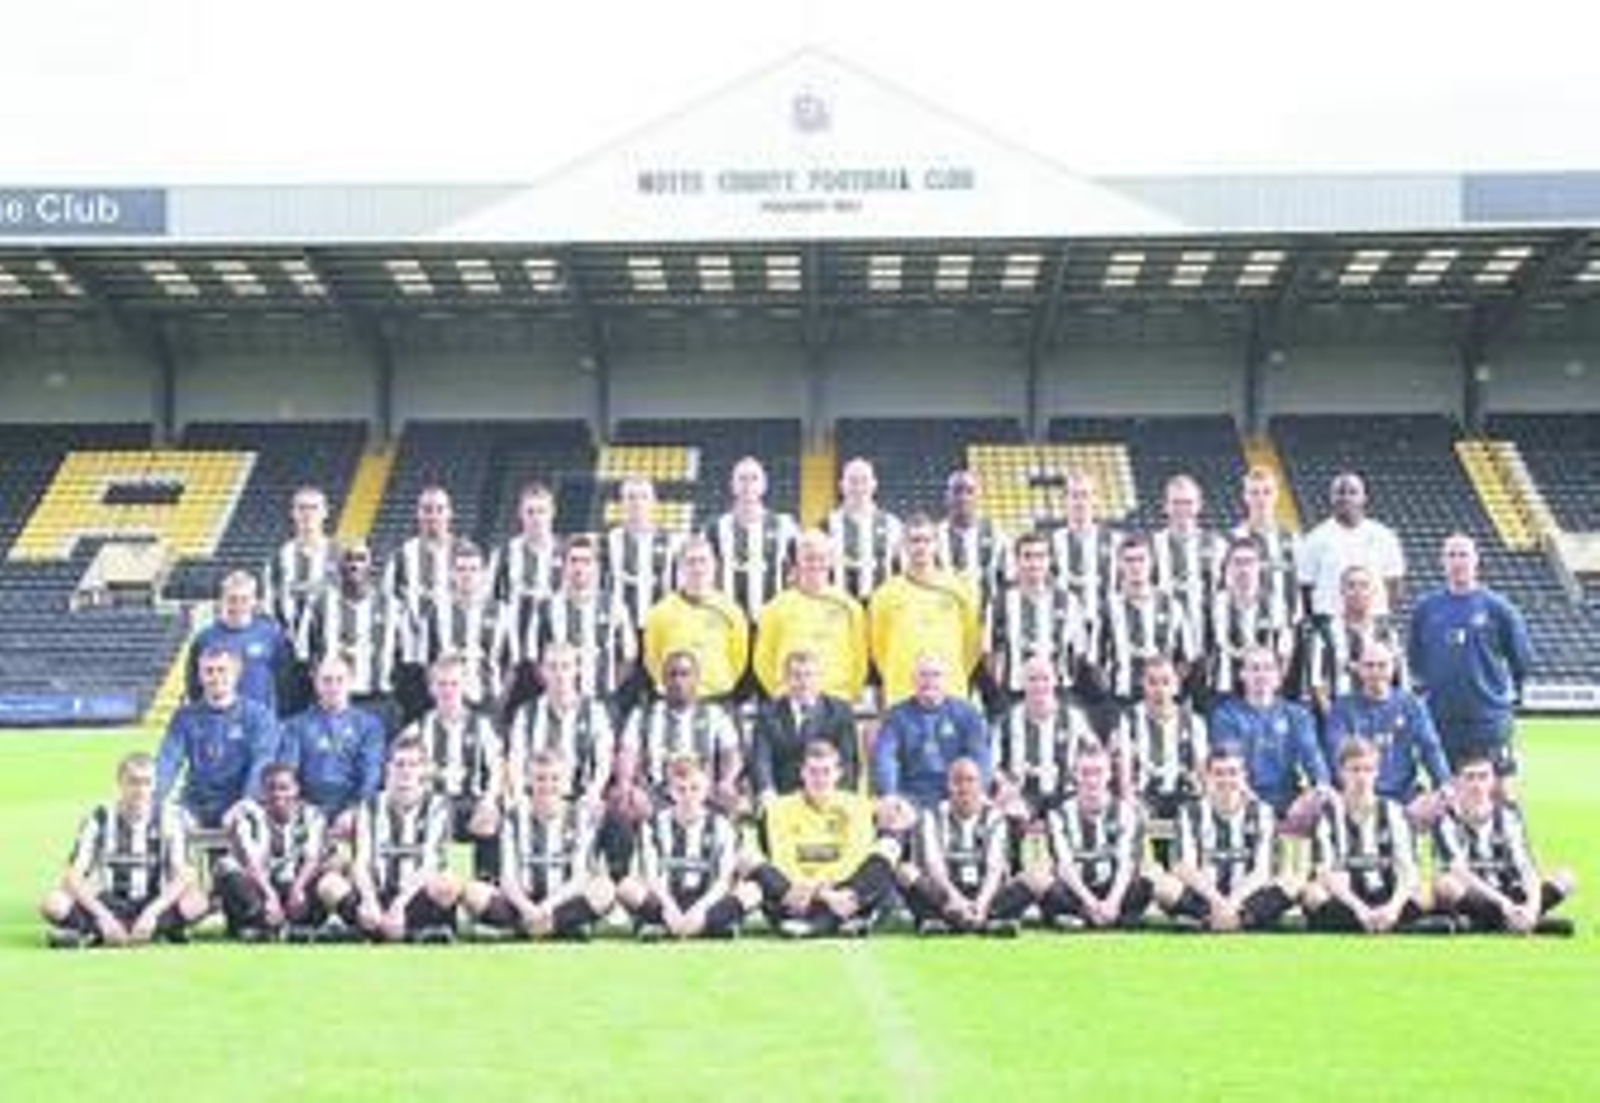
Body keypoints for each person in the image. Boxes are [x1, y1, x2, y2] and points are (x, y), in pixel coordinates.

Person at [41, 752, 207, 949]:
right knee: (54, 903)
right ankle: (151, 933)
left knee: (197, 902)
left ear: (155, 784)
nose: (140, 790)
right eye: (133, 782)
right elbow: (72, 877)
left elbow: (185, 875)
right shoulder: (99, 818)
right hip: (109, 902)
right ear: (120, 783)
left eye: (147, 782)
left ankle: (92, 934)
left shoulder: (169, 818)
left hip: (152, 901)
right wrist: (104, 916)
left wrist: (151, 913)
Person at [1408, 533, 1534, 782]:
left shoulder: (1498, 608)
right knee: (1446, 788)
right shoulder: (1426, 608)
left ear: (1476, 560)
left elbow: (1521, 659)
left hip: (1489, 719)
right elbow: (1416, 660)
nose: (1458, 561)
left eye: (1463, 555)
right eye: (1451, 555)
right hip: (1441, 718)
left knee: (1499, 788)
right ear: (1442, 562)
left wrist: (1502, 698)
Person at [749, 740, 899, 938]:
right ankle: (842, 920)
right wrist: (822, 894)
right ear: (802, 773)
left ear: (838, 774)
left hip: (844, 889)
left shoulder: (857, 806)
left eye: (826, 772)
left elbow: (854, 860)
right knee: (750, 860)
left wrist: (836, 894)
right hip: (799, 892)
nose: (819, 779)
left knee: (889, 847)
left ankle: (816, 925)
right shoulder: (778, 809)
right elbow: (784, 863)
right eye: (813, 772)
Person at [461, 751, 615, 941]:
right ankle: (558, 927)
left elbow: (579, 878)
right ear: (529, 781)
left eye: (554, 779)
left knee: (605, 890)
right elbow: (507, 878)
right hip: (521, 903)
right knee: (473, 892)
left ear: (565, 782)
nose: (548, 785)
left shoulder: (580, 816)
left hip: (561, 902)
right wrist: (528, 908)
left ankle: (537, 927)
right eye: (540, 779)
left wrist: (546, 907)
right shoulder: (513, 817)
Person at [324, 734, 461, 943]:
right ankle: (376, 926)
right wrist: (369, 901)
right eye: (400, 764)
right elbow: (361, 862)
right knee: (329, 885)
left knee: (449, 884)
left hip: (414, 897)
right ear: (388, 767)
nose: (406, 771)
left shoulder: (438, 806)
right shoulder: (369, 806)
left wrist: (399, 907)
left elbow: (431, 864)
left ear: (424, 769)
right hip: (377, 894)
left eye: (413, 764)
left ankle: (400, 929)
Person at [1301, 737, 1442, 935]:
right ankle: (1395, 926)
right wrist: (1361, 910)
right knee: (1313, 894)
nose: (1362, 777)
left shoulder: (1394, 812)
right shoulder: (1328, 816)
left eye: (1368, 770)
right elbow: (1327, 874)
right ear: (1341, 773)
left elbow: (1407, 870)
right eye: (1355, 770)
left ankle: (1374, 923)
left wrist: (1393, 908)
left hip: (1386, 893)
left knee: (1425, 894)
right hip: (1347, 899)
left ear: (1377, 773)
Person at [1431, 751, 1577, 936]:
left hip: (1511, 891)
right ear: (1457, 782)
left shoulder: (1508, 815)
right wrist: (1504, 904)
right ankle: (1524, 924)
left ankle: (1497, 923)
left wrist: (1532, 907)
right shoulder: (1445, 820)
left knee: (1566, 877)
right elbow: (1460, 872)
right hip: (1476, 895)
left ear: (1492, 781)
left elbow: (1525, 866)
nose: (1477, 785)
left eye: (1483, 777)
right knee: (1445, 885)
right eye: (1470, 777)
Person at [1154, 745, 1295, 932]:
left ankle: (1231, 921)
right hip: (1205, 899)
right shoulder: (1190, 812)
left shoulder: (1263, 813)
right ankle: (1224, 920)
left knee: (1292, 883)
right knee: (1164, 887)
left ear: (1244, 776)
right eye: (1219, 773)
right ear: (1208, 777)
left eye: (1233, 773)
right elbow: (1183, 867)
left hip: (1247, 899)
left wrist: (1233, 903)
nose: (1226, 780)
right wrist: (1219, 902)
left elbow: (1262, 870)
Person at [617, 754, 749, 941]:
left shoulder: (722, 825)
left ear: (706, 790)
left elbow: (723, 880)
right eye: (681, 789)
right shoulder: (652, 825)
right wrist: (669, 909)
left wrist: (700, 910)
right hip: (665, 901)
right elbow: (651, 877)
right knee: (626, 887)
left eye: (694, 788)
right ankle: (705, 927)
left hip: (705, 901)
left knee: (752, 891)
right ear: (671, 792)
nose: (688, 796)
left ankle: (670, 927)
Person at [1024, 740, 1152, 930]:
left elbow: (1127, 864)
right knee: (1040, 880)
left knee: (1149, 879)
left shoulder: (1127, 813)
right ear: (1075, 775)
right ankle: (1095, 917)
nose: (1092, 780)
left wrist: (1112, 902)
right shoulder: (1058, 815)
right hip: (1074, 893)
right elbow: (1064, 867)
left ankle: (1093, 918)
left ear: (1109, 774)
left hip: (1113, 890)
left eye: (1098, 772)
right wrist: (1091, 903)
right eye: (1085, 773)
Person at [399, 654, 504, 880]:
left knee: (487, 820)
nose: (448, 690)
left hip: (471, 802)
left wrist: (489, 801)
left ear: (464, 686)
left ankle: (484, 882)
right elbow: (401, 771)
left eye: (454, 684)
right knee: (440, 816)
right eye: (442, 684)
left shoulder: (482, 726)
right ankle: (447, 880)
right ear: (431, 688)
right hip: (431, 806)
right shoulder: (417, 729)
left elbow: (497, 770)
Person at [1324, 640, 1452, 824]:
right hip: (1358, 795)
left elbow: (1430, 748)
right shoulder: (1342, 708)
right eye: (1369, 666)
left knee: (1444, 804)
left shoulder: (1411, 704)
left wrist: (1444, 785)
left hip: (1404, 796)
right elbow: (1336, 754)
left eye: (1382, 665)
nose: (1376, 672)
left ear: (1394, 667)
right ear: (1358, 669)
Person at [1207, 645, 1330, 834]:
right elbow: (1229, 771)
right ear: (1242, 675)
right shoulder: (1226, 716)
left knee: (1326, 803)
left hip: (1291, 802)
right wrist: (1260, 810)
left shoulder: (1297, 715)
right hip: (1244, 802)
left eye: (1268, 668)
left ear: (1278, 676)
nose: (1261, 675)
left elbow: (1315, 763)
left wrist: (1311, 797)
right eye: (1254, 668)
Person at [897, 758, 1024, 936]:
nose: (964, 787)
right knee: (905, 872)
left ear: (981, 785)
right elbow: (934, 866)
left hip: (985, 893)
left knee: (1034, 878)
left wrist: (981, 903)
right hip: (945, 894)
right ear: (948, 785)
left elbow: (994, 870)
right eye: (957, 781)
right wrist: (955, 898)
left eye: (970, 780)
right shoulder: (932, 816)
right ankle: (984, 922)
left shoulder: (995, 818)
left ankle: (953, 921)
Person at [157, 646, 279, 829]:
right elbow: (167, 761)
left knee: (245, 825)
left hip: (239, 800)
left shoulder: (258, 716)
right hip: (195, 803)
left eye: (222, 670)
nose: (215, 677)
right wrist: (155, 798)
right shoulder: (185, 717)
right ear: (200, 675)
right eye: (209, 671)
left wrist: (248, 799)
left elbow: (262, 762)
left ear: (236, 673)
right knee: (169, 824)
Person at [214, 763, 337, 942]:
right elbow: (251, 862)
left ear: (297, 789)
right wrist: (270, 896)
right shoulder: (249, 814)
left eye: (284, 788)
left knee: (328, 871)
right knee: (227, 866)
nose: (278, 794)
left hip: (295, 884)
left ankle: (295, 928)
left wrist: (298, 889)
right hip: (261, 885)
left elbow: (312, 859)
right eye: (271, 788)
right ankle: (258, 925)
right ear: (262, 791)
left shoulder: (313, 815)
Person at [869, 513, 982, 705]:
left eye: (926, 540)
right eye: (914, 540)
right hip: (901, 693)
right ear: (903, 545)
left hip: (950, 692)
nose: (921, 547)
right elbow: (878, 648)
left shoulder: (960, 590)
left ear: (936, 545)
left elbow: (971, 645)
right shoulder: (884, 594)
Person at [297, 541, 404, 735]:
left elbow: (406, 656)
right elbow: (304, 656)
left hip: (378, 702)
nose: (354, 565)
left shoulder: (392, 606)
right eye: (348, 559)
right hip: (332, 705)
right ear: (338, 565)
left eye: (361, 559)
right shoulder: (319, 604)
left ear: (371, 565)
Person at [619, 649, 743, 815]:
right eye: (672, 675)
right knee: (628, 803)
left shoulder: (715, 714)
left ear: (697, 678)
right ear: (663, 680)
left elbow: (731, 752)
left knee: (735, 802)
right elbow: (628, 753)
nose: (678, 681)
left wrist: (727, 781)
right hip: (654, 796)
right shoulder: (642, 715)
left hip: (704, 796)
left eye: (685, 674)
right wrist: (627, 785)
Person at [752, 529, 869, 704]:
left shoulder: (850, 607)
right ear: (797, 561)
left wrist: (849, 695)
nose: (815, 564)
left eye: (821, 557)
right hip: (790, 700)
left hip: (837, 699)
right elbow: (762, 661)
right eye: (808, 557)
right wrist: (782, 692)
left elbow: (860, 659)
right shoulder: (775, 608)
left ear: (831, 560)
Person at [275, 654, 386, 829]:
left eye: (340, 680)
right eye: (326, 680)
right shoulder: (295, 726)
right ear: (315, 683)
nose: (333, 687)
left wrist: (356, 810)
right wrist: (302, 810)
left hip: (354, 812)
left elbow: (371, 775)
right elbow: (288, 773)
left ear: (351, 681)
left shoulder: (370, 726)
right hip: (307, 811)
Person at [873, 654, 991, 813]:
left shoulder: (966, 714)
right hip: (911, 797)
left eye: (936, 675)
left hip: (956, 794)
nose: (929, 681)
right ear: (913, 680)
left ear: (946, 680)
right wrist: (890, 794)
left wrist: (979, 790)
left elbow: (980, 756)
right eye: (923, 675)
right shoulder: (896, 717)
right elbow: (886, 759)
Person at [1117, 655, 1207, 863]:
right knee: (1159, 853)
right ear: (1143, 684)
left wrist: (1206, 803)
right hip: (1148, 798)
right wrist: (1131, 802)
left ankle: (1185, 868)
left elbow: (1202, 771)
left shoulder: (1194, 722)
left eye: (1166, 682)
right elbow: (1125, 773)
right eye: (1153, 682)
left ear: (1176, 686)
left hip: (1184, 796)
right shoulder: (1130, 719)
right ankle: (1159, 866)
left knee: (1190, 851)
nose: (1160, 689)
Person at [1086, 535, 1195, 705]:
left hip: (1163, 702)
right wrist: (1110, 695)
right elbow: (1096, 661)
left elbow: (1185, 659)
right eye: (1129, 560)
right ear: (1120, 564)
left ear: (1151, 562)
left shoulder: (1172, 606)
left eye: (1141, 559)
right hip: (1122, 699)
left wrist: (1167, 688)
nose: (1136, 566)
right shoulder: (1107, 608)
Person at [989, 654, 1097, 825]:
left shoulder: (1074, 718)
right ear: (1022, 683)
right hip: (1022, 795)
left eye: (1045, 679)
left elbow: (1095, 755)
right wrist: (1005, 785)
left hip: (1066, 794)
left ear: (1055, 681)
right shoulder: (1006, 721)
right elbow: (992, 764)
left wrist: (1084, 783)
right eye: (1032, 679)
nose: (1039, 685)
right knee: (1010, 816)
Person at [983, 531, 1087, 707]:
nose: (1034, 563)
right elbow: (990, 653)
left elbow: (1078, 651)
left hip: (1057, 693)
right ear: (1017, 561)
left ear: (1049, 561)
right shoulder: (1000, 602)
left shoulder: (1068, 601)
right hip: (1014, 694)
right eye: (1027, 556)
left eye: (1040, 556)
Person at [641, 534, 749, 702]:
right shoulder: (660, 612)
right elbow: (652, 658)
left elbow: (738, 658)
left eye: (703, 561)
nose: (698, 568)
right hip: (675, 698)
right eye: (691, 562)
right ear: (680, 567)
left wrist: (718, 681)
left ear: (715, 565)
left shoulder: (731, 610)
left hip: (718, 696)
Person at [749, 648, 860, 808]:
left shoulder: (840, 711)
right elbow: (761, 760)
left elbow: (848, 762)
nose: (804, 683)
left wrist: (840, 799)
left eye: (809, 675)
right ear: (786, 679)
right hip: (782, 798)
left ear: (820, 678)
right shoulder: (768, 714)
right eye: (796, 676)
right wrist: (767, 791)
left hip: (827, 796)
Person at [403, 539, 502, 713]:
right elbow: (426, 661)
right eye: (461, 569)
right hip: (446, 702)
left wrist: (499, 699)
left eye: (473, 569)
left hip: (486, 701)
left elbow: (512, 663)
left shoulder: (501, 612)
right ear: (451, 573)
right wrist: (438, 695)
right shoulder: (435, 611)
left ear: (483, 574)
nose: (467, 575)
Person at [1298, 471, 1405, 622]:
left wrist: (1376, 613)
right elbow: (1305, 588)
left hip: (1373, 621)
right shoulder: (1314, 539)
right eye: (1340, 492)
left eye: (1353, 492)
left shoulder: (1385, 536)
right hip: (1328, 622)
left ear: (1364, 498)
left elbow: (1395, 584)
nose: (1346, 498)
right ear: (1331, 498)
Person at [1303, 563, 1407, 718]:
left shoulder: (1387, 634)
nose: (1357, 592)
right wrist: (1335, 720)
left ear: (1373, 592)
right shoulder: (1324, 634)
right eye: (1351, 586)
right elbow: (1316, 684)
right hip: (1337, 718)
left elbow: (1401, 682)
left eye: (1364, 586)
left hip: (1380, 720)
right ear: (1341, 591)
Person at [706, 456, 799, 625]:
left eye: (754, 478)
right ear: (733, 485)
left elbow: (797, 570)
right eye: (742, 478)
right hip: (727, 622)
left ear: (764, 485)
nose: (747, 484)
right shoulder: (715, 528)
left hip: (772, 623)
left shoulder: (785, 526)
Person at [185, 570, 293, 715]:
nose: (238, 605)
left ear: (254, 601)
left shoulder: (271, 635)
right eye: (232, 599)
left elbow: (285, 683)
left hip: (260, 723)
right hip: (218, 722)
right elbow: (194, 686)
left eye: (244, 599)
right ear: (222, 600)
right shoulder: (205, 638)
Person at [1202, 538, 1294, 706]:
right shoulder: (1214, 604)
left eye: (1249, 562)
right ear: (1228, 567)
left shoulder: (1276, 604)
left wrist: (1273, 685)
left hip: (1263, 692)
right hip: (1223, 688)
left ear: (1259, 566)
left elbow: (1285, 652)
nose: (1243, 569)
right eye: (1237, 562)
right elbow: (1205, 648)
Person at [261, 485, 339, 657]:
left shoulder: (341, 556)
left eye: (314, 508)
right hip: (288, 652)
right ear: (293, 513)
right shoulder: (278, 559)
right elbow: (268, 610)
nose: (307, 513)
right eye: (302, 508)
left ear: (325, 513)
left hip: (332, 654)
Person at [1151, 473, 1226, 640]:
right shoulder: (1151, 546)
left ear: (1199, 505)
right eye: (1176, 503)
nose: (1182, 509)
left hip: (1207, 638)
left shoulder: (1218, 545)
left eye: (1188, 503)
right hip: (1163, 638)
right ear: (1165, 506)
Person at [605, 476, 683, 635]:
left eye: (644, 497)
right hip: (619, 630)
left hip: (661, 629)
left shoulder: (673, 541)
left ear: (654, 502)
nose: (637, 503)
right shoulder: (608, 541)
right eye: (631, 497)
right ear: (622, 503)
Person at [1232, 466, 1302, 632]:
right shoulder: (1231, 539)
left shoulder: (1293, 539)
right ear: (1245, 496)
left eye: (1267, 492)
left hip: (1284, 631)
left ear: (1276, 495)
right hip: (1243, 631)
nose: (1261, 499)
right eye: (1254, 492)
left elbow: (1300, 586)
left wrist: (1294, 624)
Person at [826, 457, 903, 603]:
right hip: (838, 607)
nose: (859, 487)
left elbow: (901, 570)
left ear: (874, 485)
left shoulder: (893, 525)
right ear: (842, 486)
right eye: (852, 481)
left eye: (864, 480)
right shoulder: (825, 526)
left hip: (881, 608)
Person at [1050, 470, 1121, 620]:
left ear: (1095, 499)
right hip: (1063, 624)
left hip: (1105, 624)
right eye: (1074, 496)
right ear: (1065, 500)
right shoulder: (1050, 542)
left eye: (1085, 495)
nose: (1080, 502)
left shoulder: (1116, 541)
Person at [383, 484, 459, 619]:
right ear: (418, 514)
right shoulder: (401, 555)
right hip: (413, 631)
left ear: (450, 513)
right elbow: (388, 599)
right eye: (427, 510)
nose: (433, 516)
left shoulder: (465, 553)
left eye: (440, 509)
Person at [936, 468, 1012, 601]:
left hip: (986, 612)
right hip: (942, 611)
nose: (963, 498)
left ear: (978, 496)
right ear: (947, 496)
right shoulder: (934, 537)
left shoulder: (998, 537)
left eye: (970, 491)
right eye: (957, 491)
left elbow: (1007, 581)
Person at [490, 481, 563, 606]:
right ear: (520, 513)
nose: (536, 518)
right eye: (530, 512)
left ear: (552, 513)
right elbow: (492, 598)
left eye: (542, 511)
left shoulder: (565, 553)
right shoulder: (504, 554)